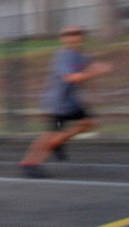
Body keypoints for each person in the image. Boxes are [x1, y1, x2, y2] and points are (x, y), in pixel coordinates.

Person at [19, 24, 113, 178]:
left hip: (71, 102)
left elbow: (89, 70)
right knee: (48, 136)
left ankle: (60, 140)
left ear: (82, 36)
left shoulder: (83, 55)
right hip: (57, 104)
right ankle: (29, 163)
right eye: (68, 34)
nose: (73, 36)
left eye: (77, 33)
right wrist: (96, 71)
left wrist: (95, 92)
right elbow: (72, 78)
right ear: (63, 39)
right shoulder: (63, 56)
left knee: (89, 123)